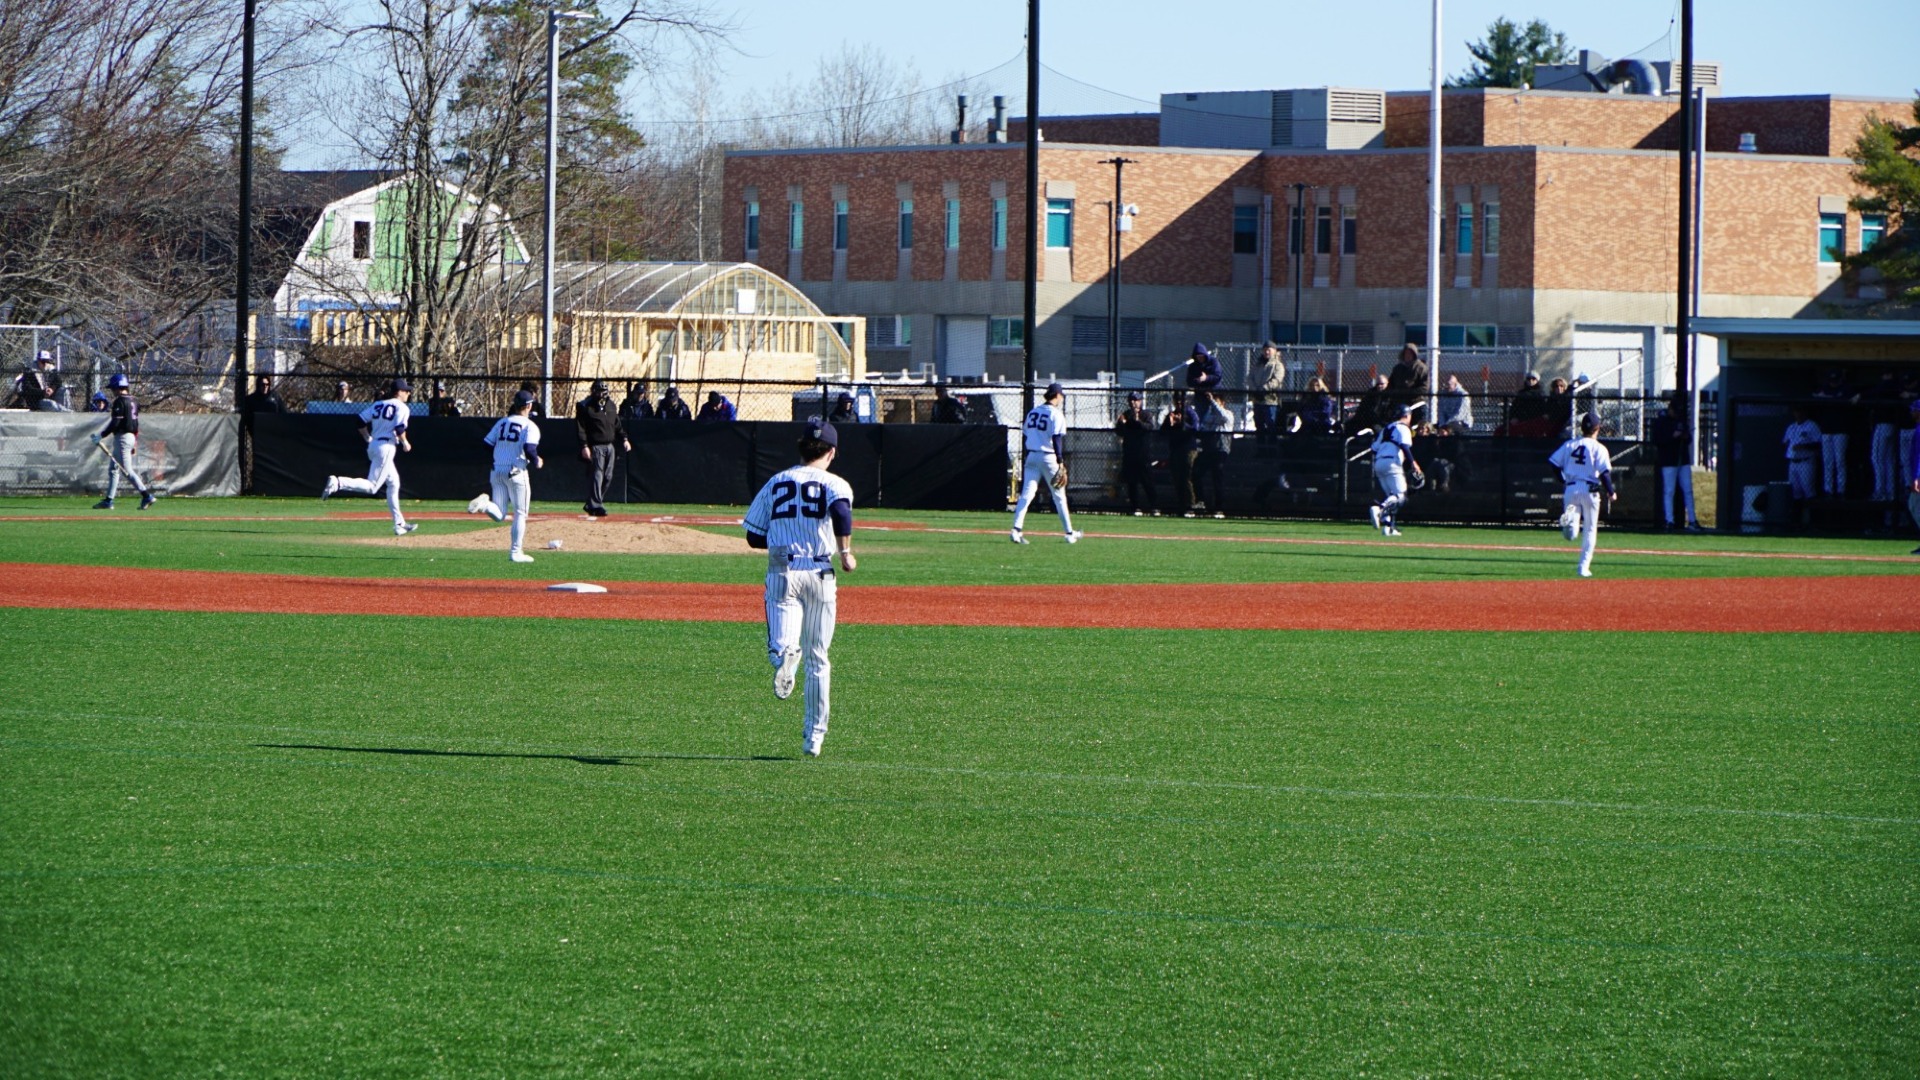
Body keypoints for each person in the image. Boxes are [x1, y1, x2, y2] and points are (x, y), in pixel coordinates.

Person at [743, 418, 858, 758]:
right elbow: (840, 512)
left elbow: (752, 535)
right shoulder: (836, 483)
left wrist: (783, 537)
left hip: (784, 568)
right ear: (832, 452)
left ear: (801, 448)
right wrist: (847, 552)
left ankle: (784, 655)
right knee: (819, 659)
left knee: (781, 646)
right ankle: (814, 737)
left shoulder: (777, 481)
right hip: (821, 571)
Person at [321, 377, 418, 536]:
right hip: (386, 447)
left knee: (394, 482)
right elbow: (400, 428)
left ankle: (399, 523)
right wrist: (406, 443)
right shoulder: (402, 407)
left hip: (374, 446)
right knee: (373, 487)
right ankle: (338, 482)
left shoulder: (379, 404)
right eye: (406, 390)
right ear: (399, 392)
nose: (408, 393)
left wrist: (368, 438)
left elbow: (360, 420)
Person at [467, 390, 543, 563]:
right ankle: (516, 552)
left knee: (500, 514)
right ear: (529, 406)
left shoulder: (502, 422)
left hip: (497, 470)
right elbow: (530, 449)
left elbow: (487, 444)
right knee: (520, 513)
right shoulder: (530, 426)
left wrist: (502, 453)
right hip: (516, 471)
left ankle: (485, 505)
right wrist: (537, 461)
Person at [1010, 382, 1081, 544]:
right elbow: (1057, 439)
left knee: (1026, 495)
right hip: (1049, 457)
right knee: (1059, 497)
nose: (1062, 397)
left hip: (1032, 456)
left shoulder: (1033, 412)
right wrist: (1060, 461)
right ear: (1056, 395)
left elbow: (1027, 434)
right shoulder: (1056, 414)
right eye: (1061, 395)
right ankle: (1069, 533)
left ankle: (1016, 529)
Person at [1550, 413, 1617, 578]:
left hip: (1571, 488)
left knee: (1571, 535)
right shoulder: (1599, 448)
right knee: (1590, 530)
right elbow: (1604, 473)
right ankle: (1583, 567)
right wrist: (1610, 491)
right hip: (1590, 490)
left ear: (1581, 428)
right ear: (1598, 428)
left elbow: (1553, 462)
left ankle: (1569, 525)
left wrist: (1562, 480)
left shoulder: (1570, 444)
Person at [90, 373, 157, 510]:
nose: (113, 391)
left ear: (118, 387)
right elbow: (135, 423)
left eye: (113, 388)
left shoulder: (120, 401)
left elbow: (116, 422)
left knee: (127, 470)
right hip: (130, 436)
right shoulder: (134, 400)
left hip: (123, 437)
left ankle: (146, 495)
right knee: (113, 469)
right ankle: (109, 500)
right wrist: (134, 441)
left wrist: (102, 435)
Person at [575, 379, 629, 517]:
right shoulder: (585, 406)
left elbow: (617, 425)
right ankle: (596, 505)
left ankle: (592, 502)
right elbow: (581, 429)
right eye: (598, 391)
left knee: (608, 476)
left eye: (603, 391)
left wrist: (624, 438)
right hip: (596, 446)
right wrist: (584, 446)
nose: (601, 394)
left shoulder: (611, 405)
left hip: (610, 445)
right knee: (597, 476)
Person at [1367, 403, 1421, 537]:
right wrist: (1413, 463)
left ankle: (1388, 527)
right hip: (1392, 462)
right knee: (1400, 495)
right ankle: (1379, 508)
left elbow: (1373, 449)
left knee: (1392, 497)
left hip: (1379, 462)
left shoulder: (1386, 428)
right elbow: (1404, 446)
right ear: (1407, 415)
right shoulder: (1403, 428)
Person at [1650, 397, 1701, 531]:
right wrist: (1673, 436)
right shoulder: (1662, 422)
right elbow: (1656, 439)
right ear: (1670, 409)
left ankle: (1692, 520)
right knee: (1669, 491)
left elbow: (1688, 439)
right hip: (1668, 462)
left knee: (1688, 490)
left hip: (1682, 461)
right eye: (1675, 411)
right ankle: (1669, 521)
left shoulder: (1681, 421)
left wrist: (1684, 436)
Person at [1809, 368, 1852, 496]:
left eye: (1835, 380)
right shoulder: (1825, 388)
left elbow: (1846, 398)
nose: (1833, 383)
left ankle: (1841, 489)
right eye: (1831, 380)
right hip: (1826, 430)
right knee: (1827, 461)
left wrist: (1827, 397)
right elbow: (1815, 395)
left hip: (1840, 431)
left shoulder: (1846, 389)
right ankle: (1828, 489)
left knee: (1839, 460)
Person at [1114, 390, 1158, 515]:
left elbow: (1148, 427)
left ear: (1140, 401)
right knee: (1131, 481)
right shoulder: (1126, 414)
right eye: (1131, 400)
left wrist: (1136, 421)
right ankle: (1135, 507)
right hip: (1129, 453)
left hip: (1143, 454)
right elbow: (1119, 431)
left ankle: (1154, 506)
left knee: (1147, 480)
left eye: (1136, 400)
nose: (1133, 403)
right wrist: (1122, 423)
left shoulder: (1146, 414)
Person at [1192, 388, 1234, 516]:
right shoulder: (1209, 415)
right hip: (1208, 450)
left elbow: (1222, 415)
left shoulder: (1228, 414)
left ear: (1222, 403)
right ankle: (1200, 501)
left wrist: (1213, 402)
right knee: (1196, 474)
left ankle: (1219, 508)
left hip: (1221, 450)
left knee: (1218, 478)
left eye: (1216, 401)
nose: (1213, 403)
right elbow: (1204, 427)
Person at [1866, 371, 1905, 503]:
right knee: (1889, 460)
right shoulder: (1897, 387)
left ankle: (1880, 491)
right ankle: (1890, 491)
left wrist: (1860, 394)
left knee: (1877, 458)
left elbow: (1873, 392)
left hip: (1883, 426)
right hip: (1893, 427)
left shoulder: (1886, 386)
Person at [1161, 390, 1201, 515]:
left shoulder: (1190, 413)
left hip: (1188, 449)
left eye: (1181, 401)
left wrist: (1182, 422)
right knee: (1176, 477)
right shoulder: (1172, 414)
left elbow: (1195, 428)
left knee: (1185, 477)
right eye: (1176, 401)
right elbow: (1162, 432)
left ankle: (1190, 505)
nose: (1178, 404)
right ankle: (1181, 505)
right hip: (1175, 449)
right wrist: (1169, 422)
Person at [1783, 405, 1821, 522]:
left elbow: (1819, 444)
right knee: (1795, 492)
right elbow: (1784, 442)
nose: (1798, 414)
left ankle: (1812, 521)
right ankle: (1797, 522)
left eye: (1800, 411)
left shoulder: (1812, 425)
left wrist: (1803, 446)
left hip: (1806, 462)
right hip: (1793, 462)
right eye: (1795, 411)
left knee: (1809, 491)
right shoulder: (1791, 427)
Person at [1249, 342, 1285, 445]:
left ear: (1274, 351)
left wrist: (1264, 389)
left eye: (1269, 349)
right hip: (1257, 400)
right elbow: (1250, 378)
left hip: (1270, 401)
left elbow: (1277, 380)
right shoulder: (1257, 365)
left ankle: (1271, 448)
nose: (1267, 351)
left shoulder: (1277, 365)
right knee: (1259, 425)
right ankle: (1261, 448)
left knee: (1271, 425)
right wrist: (1255, 389)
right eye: (1265, 349)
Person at [1348, 374, 1392, 438]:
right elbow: (1362, 407)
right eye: (1378, 384)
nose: (1379, 386)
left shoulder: (1390, 395)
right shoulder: (1371, 393)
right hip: (1368, 419)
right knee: (1350, 425)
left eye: (1382, 384)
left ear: (1387, 383)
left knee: (1377, 429)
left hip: (1381, 422)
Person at [1386, 343, 1428, 409]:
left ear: (1414, 355)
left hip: (1416, 404)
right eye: (1406, 353)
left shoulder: (1421, 368)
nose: (1408, 356)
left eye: (1410, 353)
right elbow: (1391, 385)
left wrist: (1408, 392)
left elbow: (1424, 388)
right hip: (1398, 403)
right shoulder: (1397, 368)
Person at [1507, 370, 1548, 435]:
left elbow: (1544, 408)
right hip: (1522, 419)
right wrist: (1514, 417)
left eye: (1533, 379)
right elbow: (1515, 407)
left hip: (1535, 420)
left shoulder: (1541, 393)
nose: (1531, 381)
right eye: (1528, 379)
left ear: (1537, 381)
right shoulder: (1521, 393)